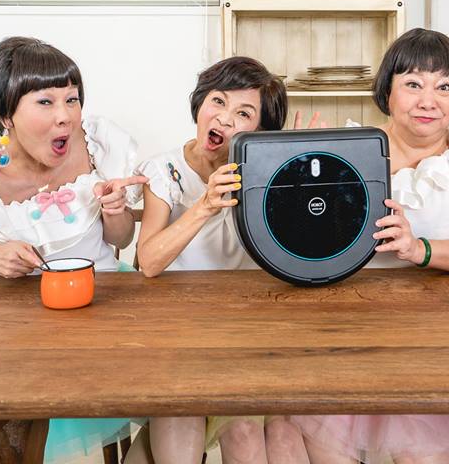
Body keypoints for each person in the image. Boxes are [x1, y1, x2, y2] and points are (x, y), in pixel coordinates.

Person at [293, 29, 449, 464]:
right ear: (387, 92)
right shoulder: (343, 151)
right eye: (413, 84)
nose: (428, 101)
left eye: (444, 87)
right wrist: (297, 178)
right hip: (348, 330)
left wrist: (419, 250)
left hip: (442, 337)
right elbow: (310, 245)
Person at [0, 36, 147, 461]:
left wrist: (115, 211)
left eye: (72, 99)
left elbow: (120, 240)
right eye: (45, 102)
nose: (65, 117)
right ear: (6, 116)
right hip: (19, 329)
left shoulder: (100, 145)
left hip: (104, 310)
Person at [133, 56, 315, 464]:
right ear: (200, 103)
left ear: (260, 132)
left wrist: (298, 173)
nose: (225, 117)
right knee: (182, 428)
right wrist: (204, 206)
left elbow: (301, 255)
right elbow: (148, 261)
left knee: (256, 434)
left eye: (244, 113)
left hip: (249, 329)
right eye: (218, 101)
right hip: (179, 332)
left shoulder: (268, 173)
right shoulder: (164, 170)